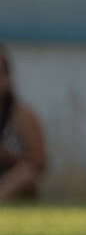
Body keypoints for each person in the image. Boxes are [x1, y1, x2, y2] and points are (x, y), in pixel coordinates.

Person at [0, 47, 48, 201]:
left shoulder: (21, 115)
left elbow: (39, 163)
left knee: (26, 174)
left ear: (7, 78)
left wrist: (7, 156)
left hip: (11, 178)